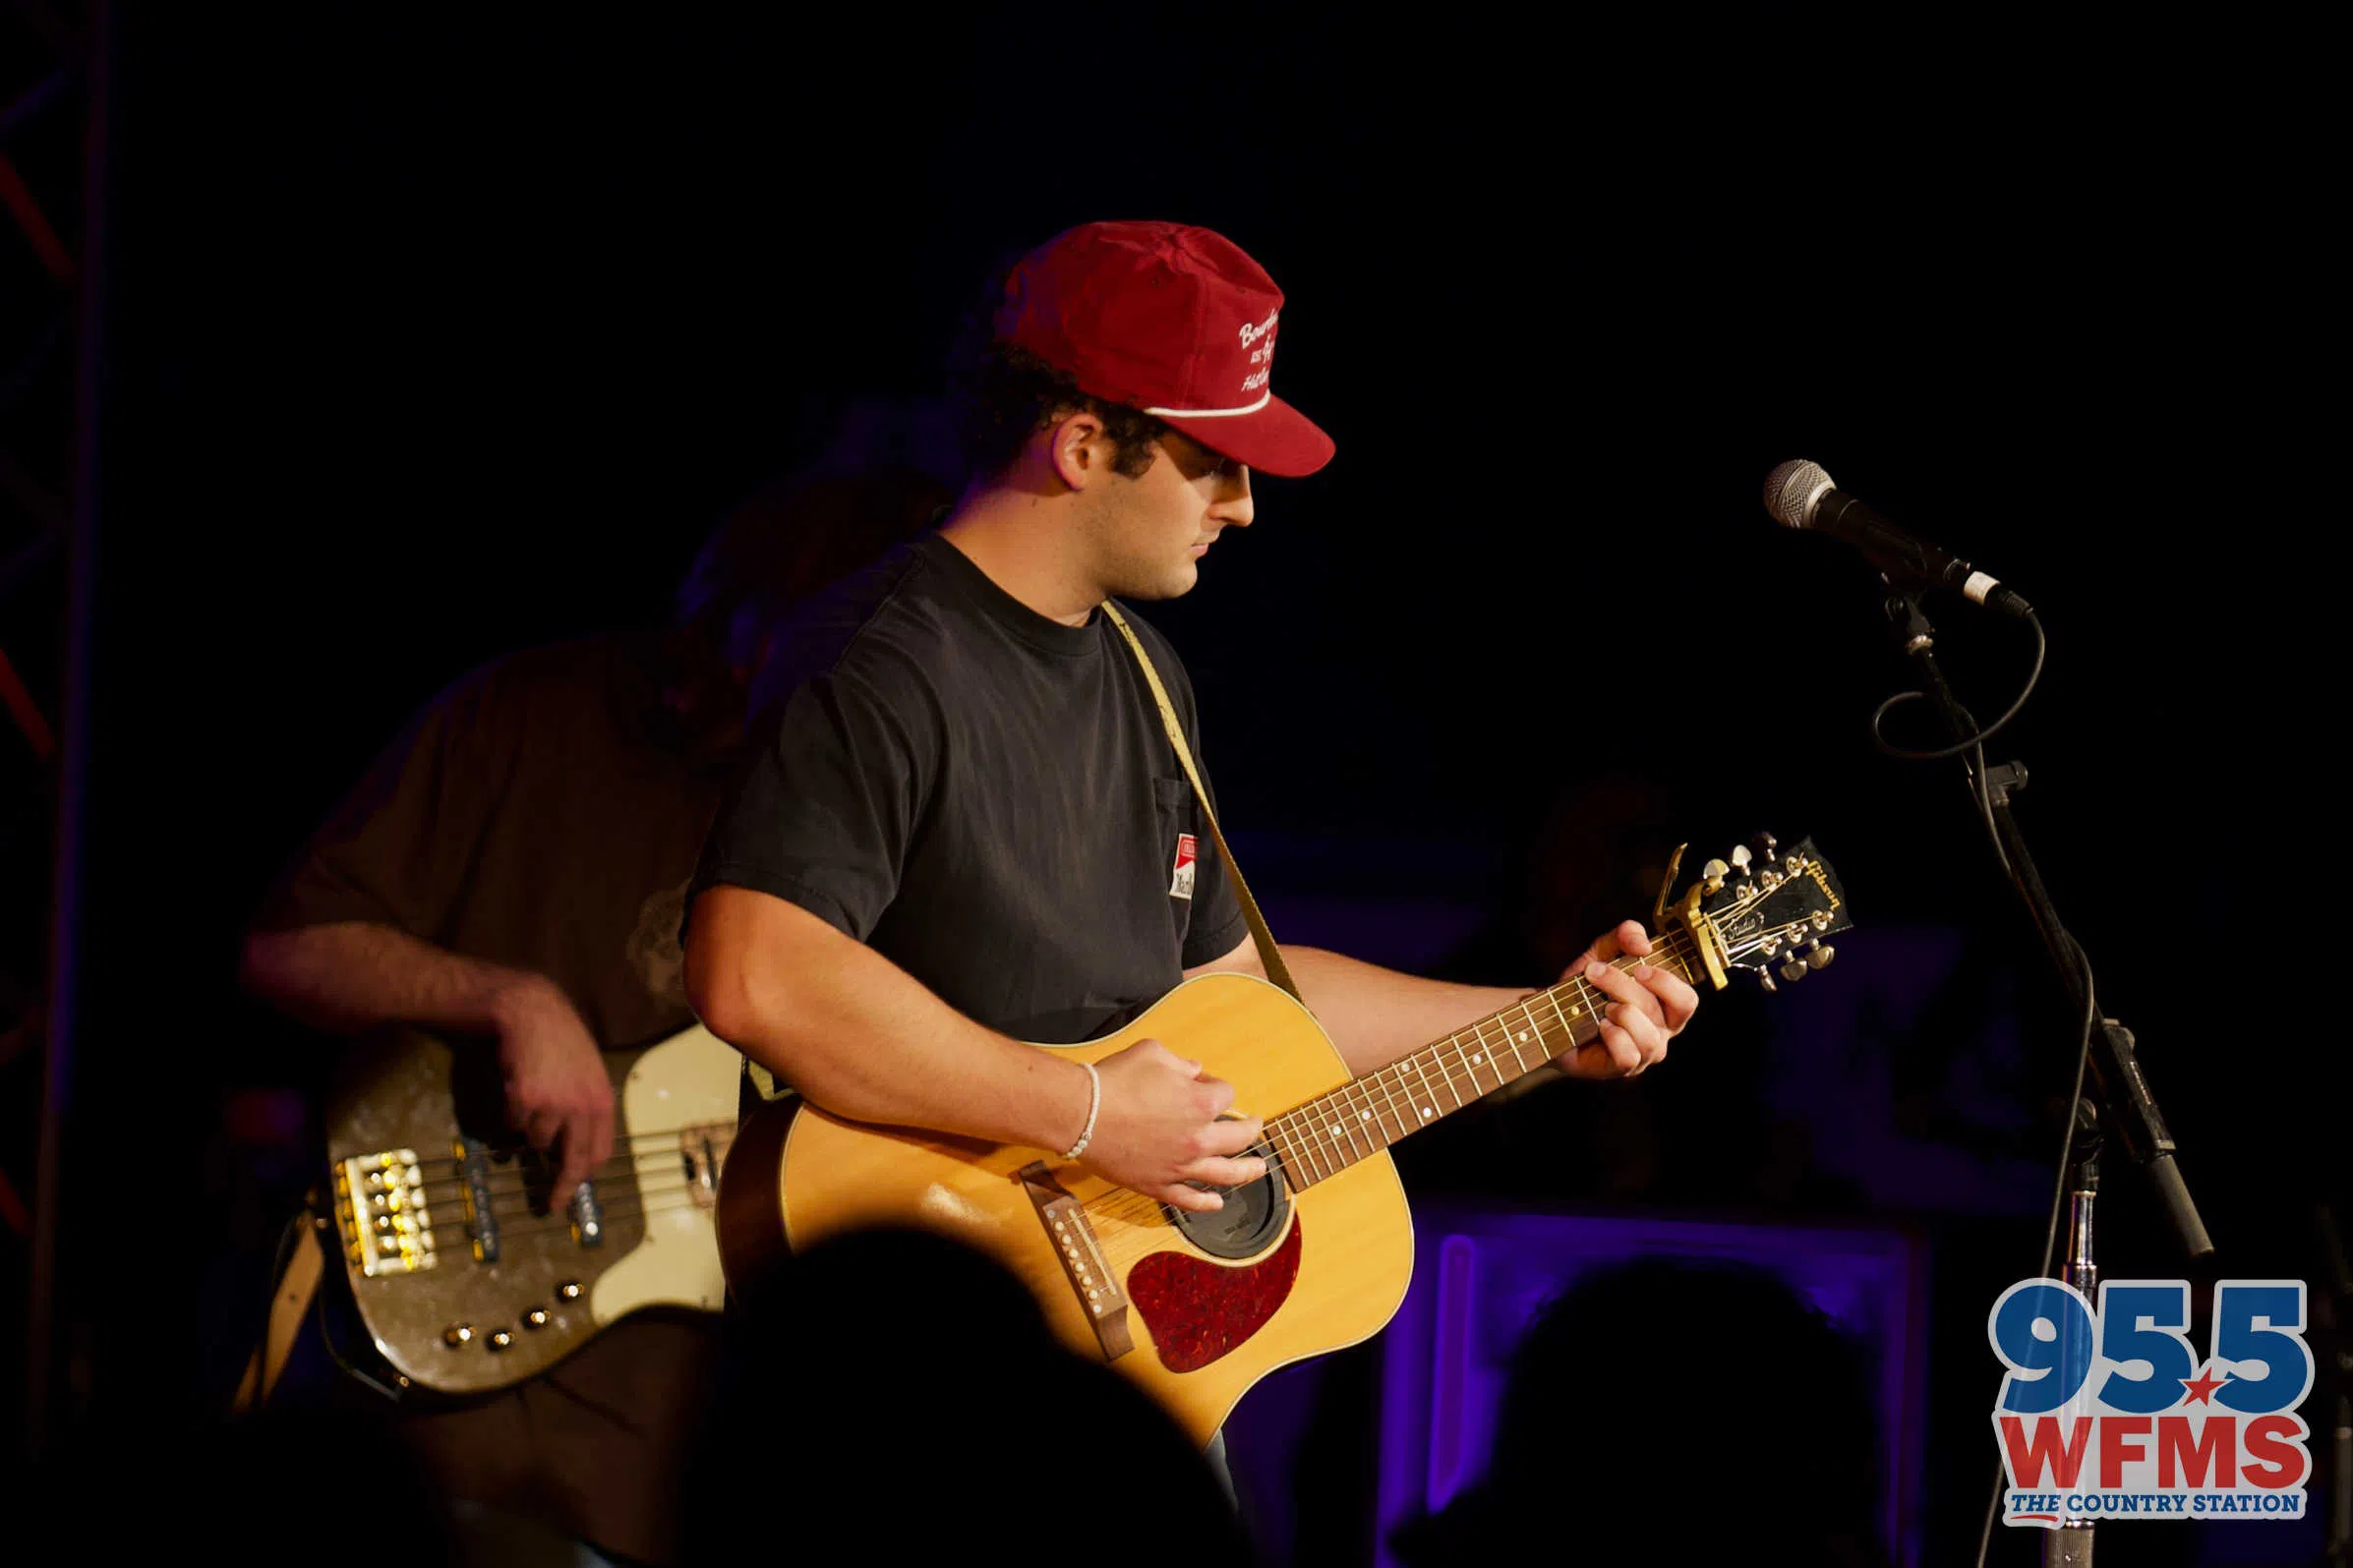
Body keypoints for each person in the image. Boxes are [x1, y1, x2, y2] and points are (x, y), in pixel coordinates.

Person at [681, 221, 1699, 1365]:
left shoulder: (1141, 671)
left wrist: (1540, 1025)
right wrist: (1088, 1113)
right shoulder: (881, 661)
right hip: (922, 1331)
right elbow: (754, 970)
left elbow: (1242, 1000)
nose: (1243, 503)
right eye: (1211, 458)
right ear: (1080, 445)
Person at [237, 464, 947, 1567]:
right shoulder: (532, 714)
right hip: (456, 1435)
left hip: (685, 1472)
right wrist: (507, 999)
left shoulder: (891, 836)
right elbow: (287, 948)